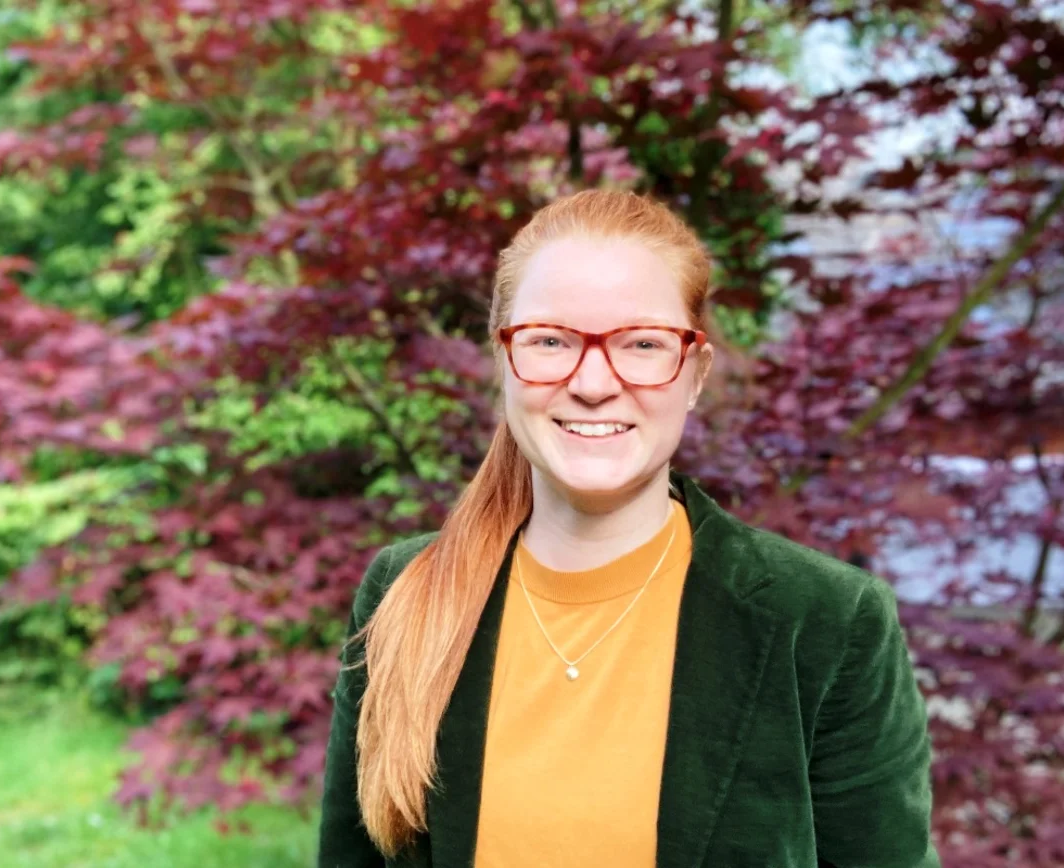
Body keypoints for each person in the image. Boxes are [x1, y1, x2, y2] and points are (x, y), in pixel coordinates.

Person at [317, 189, 940, 868]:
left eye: (642, 344)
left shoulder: (825, 621)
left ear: (694, 374)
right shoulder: (407, 591)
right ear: (503, 361)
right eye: (550, 341)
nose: (593, 383)